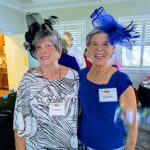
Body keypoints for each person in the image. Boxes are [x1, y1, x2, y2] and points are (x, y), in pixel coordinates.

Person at [13, 13, 79, 150]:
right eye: (38, 47)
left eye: (48, 45)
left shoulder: (74, 77)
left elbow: (81, 111)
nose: (42, 51)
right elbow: (20, 122)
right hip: (37, 146)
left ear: (58, 51)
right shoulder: (28, 80)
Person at [78, 7, 139, 150]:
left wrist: (130, 147)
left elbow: (132, 122)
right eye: (94, 44)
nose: (99, 49)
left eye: (106, 44)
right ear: (87, 49)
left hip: (112, 145)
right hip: (82, 141)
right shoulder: (80, 75)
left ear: (113, 50)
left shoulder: (121, 80)